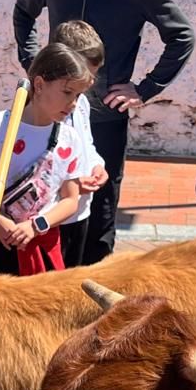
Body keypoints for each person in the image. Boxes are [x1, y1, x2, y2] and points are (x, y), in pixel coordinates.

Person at [11, 0, 196, 264]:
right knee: (47, 201)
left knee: (99, 214)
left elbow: (181, 36)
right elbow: (24, 12)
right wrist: (34, 66)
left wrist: (143, 89)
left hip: (104, 119)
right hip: (50, 114)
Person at [0, 44, 90, 275]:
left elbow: (71, 199)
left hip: (42, 245)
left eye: (78, 95)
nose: (74, 103)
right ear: (39, 85)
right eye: (67, 92)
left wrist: (37, 225)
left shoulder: (69, 139)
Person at [45, 19, 111, 267]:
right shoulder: (46, 108)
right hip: (53, 215)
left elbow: (87, 145)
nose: (91, 82)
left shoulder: (81, 104)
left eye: (94, 75)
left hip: (80, 211)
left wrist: (96, 165)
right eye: (85, 74)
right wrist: (70, 182)